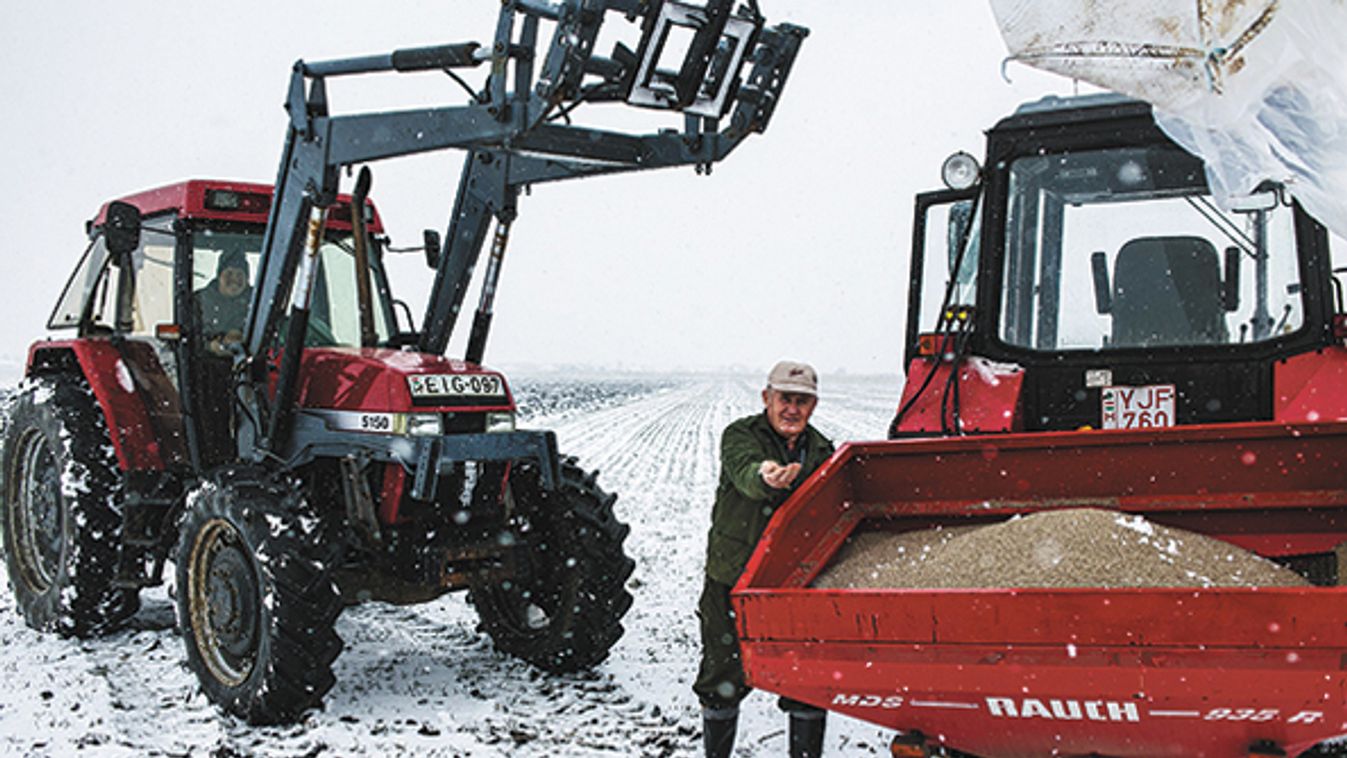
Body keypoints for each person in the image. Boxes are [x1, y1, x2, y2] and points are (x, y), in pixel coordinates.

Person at [695, 360, 835, 758]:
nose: (793, 409)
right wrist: (766, 475)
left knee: (808, 677)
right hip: (733, 576)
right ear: (766, 399)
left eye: (802, 401)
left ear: (813, 405)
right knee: (722, 671)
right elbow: (745, 470)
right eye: (785, 399)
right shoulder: (740, 434)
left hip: (793, 583)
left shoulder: (823, 450)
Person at [196, 248, 252, 356]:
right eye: (229, 273)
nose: (234, 280)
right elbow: (189, 336)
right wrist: (210, 345)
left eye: (240, 274)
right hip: (204, 365)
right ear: (219, 276)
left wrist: (242, 338)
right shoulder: (199, 300)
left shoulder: (258, 303)